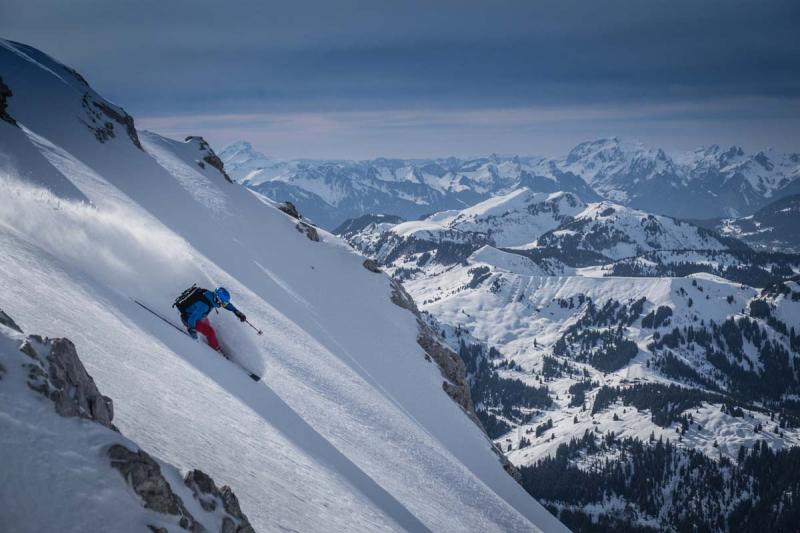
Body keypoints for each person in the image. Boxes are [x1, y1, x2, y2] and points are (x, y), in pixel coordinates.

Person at [174, 286, 246, 352]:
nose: (223, 305)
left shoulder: (209, 295)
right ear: (217, 299)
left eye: (224, 304)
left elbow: (227, 305)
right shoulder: (204, 306)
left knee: (207, 324)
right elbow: (192, 318)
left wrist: (236, 311)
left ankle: (212, 342)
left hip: (197, 316)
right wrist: (192, 329)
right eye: (222, 303)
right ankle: (217, 350)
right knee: (210, 332)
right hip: (188, 319)